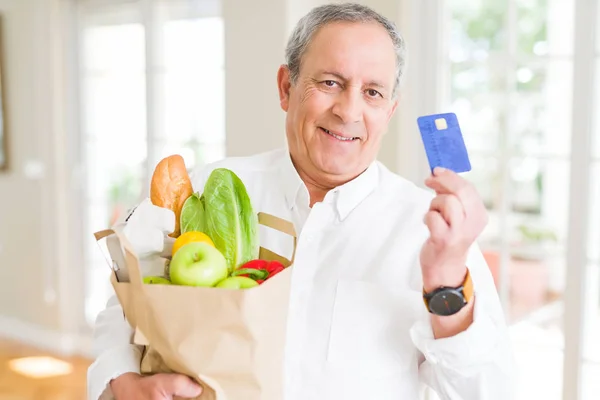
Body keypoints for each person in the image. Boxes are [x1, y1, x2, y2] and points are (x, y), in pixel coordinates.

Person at [87, 3, 515, 399]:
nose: (348, 111)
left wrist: (445, 283)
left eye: (372, 93)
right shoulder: (210, 191)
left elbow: (484, 390)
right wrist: (121, 382)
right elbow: (126, 308)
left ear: (390, 109)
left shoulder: (434, 233)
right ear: (286, 87)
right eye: (330, 83)